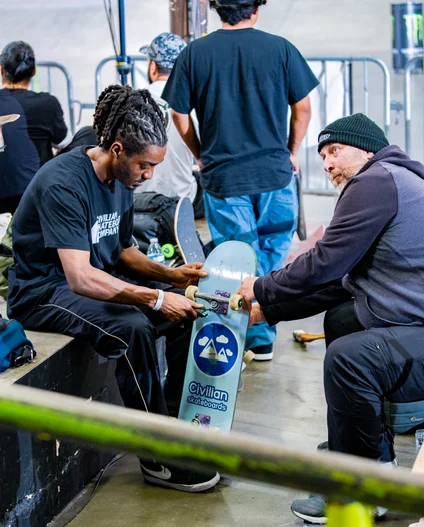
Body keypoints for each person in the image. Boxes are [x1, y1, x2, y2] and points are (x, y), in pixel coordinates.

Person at [7, 84, 220, 493]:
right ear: (118, 149)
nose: (149, 175)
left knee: (184, 312)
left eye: (155, 166)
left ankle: (176, 431)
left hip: (89, 276)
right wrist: (155, 296)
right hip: (42, 291)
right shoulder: (63, 183)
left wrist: (171, 277)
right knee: (133, 327)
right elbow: (80, 277)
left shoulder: (123, 180)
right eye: (145, 165)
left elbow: (121, 250)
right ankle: (156, 456)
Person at [237, 113, 424, 525]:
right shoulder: (395, 181)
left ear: (367, 149)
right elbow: (342, 281)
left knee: (348, 359)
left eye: (334, 151)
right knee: (343, 320)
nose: (327, 163)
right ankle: (373, 462)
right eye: (322, 155)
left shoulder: (377, 181)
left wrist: (261, 287)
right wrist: (267, 311)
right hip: (414, 325)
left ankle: (359, 490)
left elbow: (325, 262)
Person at [162, 0, 319, 361]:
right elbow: (304, 107)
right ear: (256, 9)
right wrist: (291, 151)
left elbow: (179, 114)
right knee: (271, 256)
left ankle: (252, 333)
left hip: (225, 177)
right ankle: (263, 330)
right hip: (275, 176)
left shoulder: (194, 54)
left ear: (217, 8)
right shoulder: (281, 48)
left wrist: (200, 152)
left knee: (238, 259)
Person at [0, 41, 70, 213]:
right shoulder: (47, 104)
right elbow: (64, 143)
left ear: (1, 70)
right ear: (34, 71)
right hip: (34, 200)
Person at [137, 32, 199, 207]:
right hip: (181, 200)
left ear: (153, 67)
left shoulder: (131, 102)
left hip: (139, 198)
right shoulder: (194, 104)